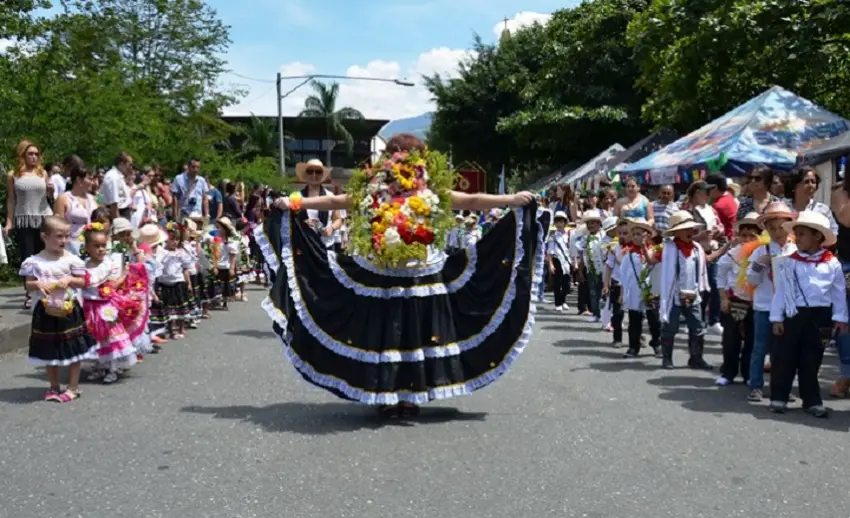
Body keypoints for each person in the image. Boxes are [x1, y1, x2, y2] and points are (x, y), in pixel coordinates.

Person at [257, 132, 545, 418]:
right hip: (383, 274)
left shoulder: (429, 192)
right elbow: (337, 203)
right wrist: (297, 204)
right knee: (388, 337)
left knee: (415, 336)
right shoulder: (376, 191)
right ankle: (388, 395)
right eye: (398, 157)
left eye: (410, 157)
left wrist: (511, 199)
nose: (403, 163)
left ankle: (411, 395)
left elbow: (471, 199)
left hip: (422, 274)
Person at [769, 211, 848, 417]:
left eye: (802, 234)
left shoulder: (832, 263)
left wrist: (840, 317)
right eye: (797, 234)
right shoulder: (790, 261)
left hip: (820, 316)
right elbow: (782, 291)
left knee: (812, 359)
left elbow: (838, 292)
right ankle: (779, 396)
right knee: (785, 357)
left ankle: (811, 400)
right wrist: (777, 317)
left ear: (817, 236)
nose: (797, 238)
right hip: (794, 314)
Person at [19, 216, 97, 402]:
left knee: (73, 347)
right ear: (44, 237)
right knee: (48, 348)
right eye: (59, 236)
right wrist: (38, 284)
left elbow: (82, 282)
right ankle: (54, 386)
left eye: (67, 236)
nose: (64, 240)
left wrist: (70, 279)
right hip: (45, 310)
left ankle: (73, 387)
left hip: (68, 310)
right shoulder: (34, 262)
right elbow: (28, 285)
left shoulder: (71, 260)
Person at [658, 211, 711, 370]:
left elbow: (705, 262)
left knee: (697, 327)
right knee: (670, 327)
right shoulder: (668, 248)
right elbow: (654, 261)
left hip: (693, 293)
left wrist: (726, 247)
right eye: (686, 229)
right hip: (674, 293)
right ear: (676, 232)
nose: (690, 232)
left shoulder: (697, 248)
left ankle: (696, 358)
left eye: (691, 229)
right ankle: (667, 358)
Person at [101, 152, 134, 219]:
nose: (131, 167)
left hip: (123, 212)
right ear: (121, 164)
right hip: (120, 213)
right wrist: (118, 222)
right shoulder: (114, 177)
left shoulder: (118, 176)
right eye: (129, 165)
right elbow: (114, 204)